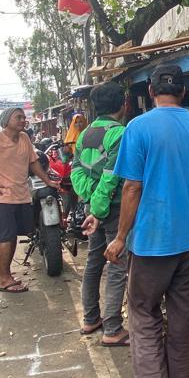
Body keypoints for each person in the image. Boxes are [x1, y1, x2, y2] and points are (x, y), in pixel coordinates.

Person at [105, 64, 189, 378]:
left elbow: (131, 187)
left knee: (143, 311)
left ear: (151, 92)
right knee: (182, 313)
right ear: (183, 92)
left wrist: (121, 236)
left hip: (152, 242)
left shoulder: (137, 127)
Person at [0, 107, 59, 293]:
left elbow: (33, 162)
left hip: (21, 195)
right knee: (6, 238)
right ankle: (4, 278)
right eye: (18, 117)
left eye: (24, 117)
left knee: (13, 237)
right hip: (2, 199)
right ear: (6, 121)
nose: (23, 120)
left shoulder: (24, 138)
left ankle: (6, 274)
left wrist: (47, 179)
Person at [73, 82, 131, 347]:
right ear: (123, 105)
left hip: (92, 209)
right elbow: (112, 176)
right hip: (113, 209)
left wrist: (90, 199)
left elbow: (77, 171)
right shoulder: (120, 133)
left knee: (94, 263)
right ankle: (112, 328)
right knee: (116, 267)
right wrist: (99, 206)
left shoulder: (85, 134)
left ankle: (90, 318)